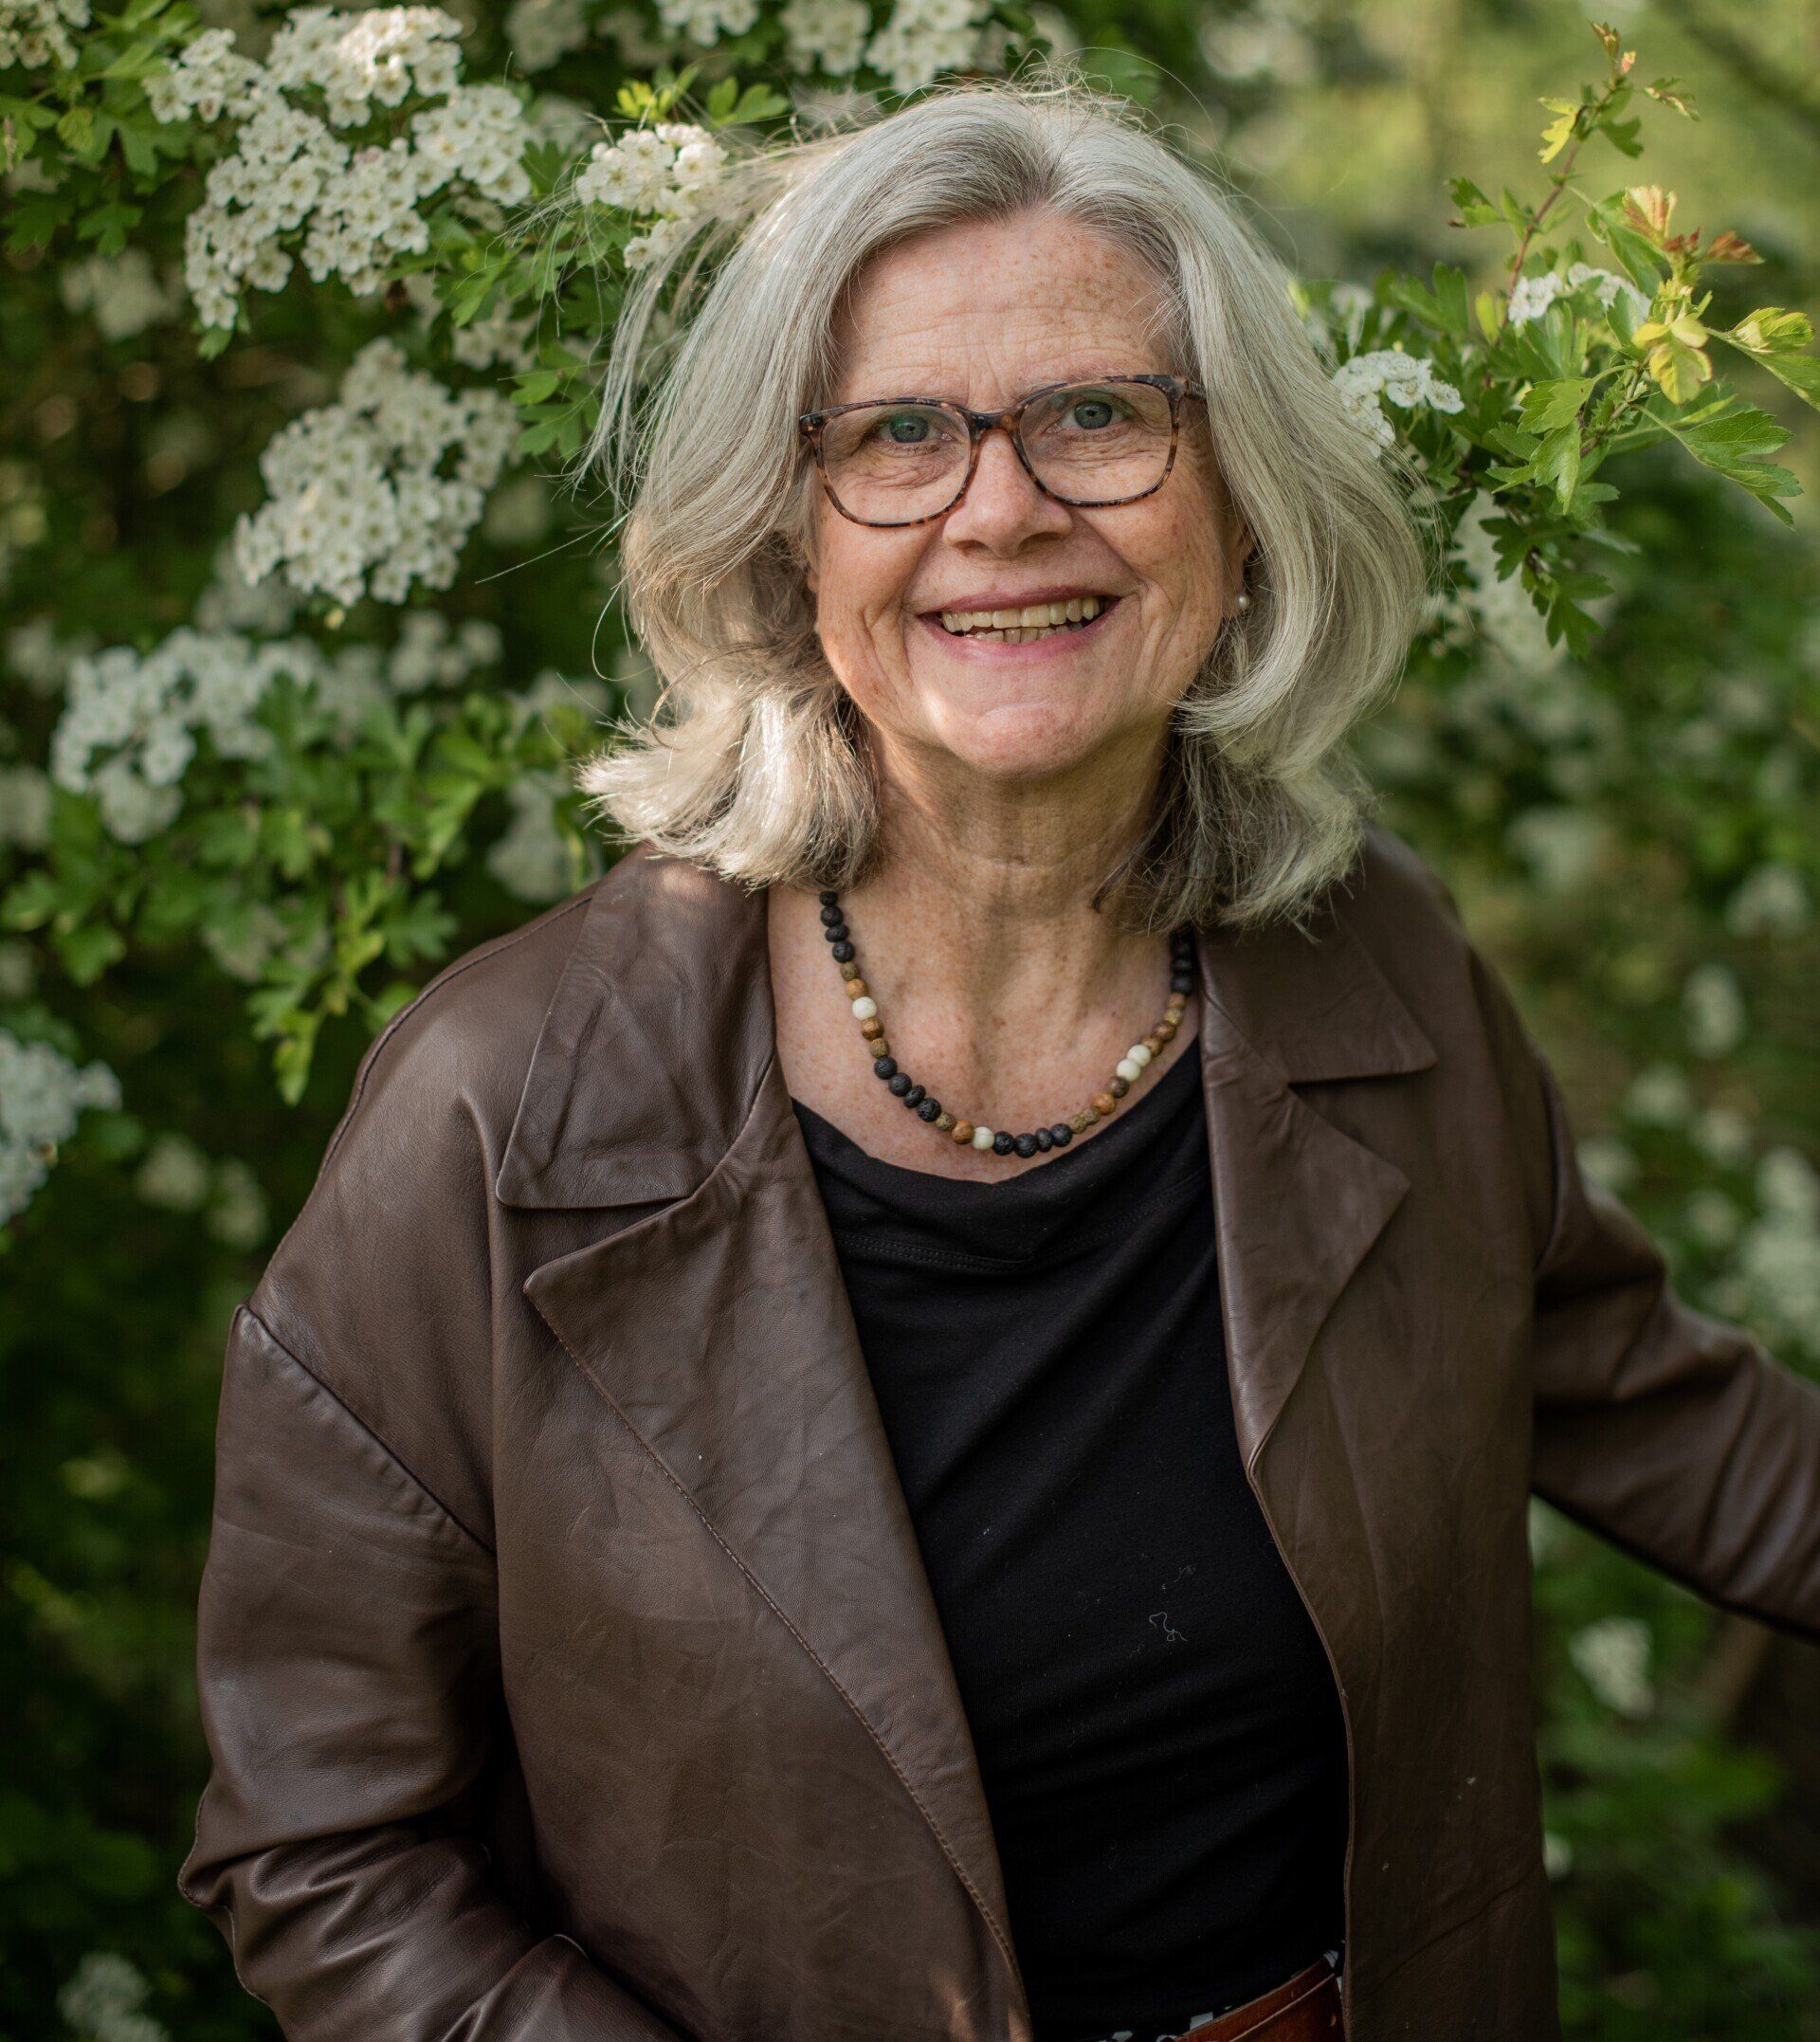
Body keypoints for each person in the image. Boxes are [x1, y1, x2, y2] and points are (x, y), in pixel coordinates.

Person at [176, 71, 1820, 2042]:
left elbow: (1668, 1420)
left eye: (1101, 416)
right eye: (897, 436)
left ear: (1242, 507)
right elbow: (318, 1849)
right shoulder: (499, 1112)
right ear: (788, 546)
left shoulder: (1369, 970)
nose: (1003, 507)